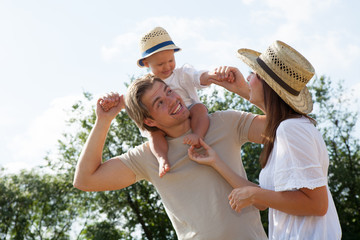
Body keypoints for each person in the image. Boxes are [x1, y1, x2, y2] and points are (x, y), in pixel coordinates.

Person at [73, 72, 268, 239]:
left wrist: (242, 88)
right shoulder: (147, 156)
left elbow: (286, 128)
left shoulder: (225, 122)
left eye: (169, 91)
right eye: (160, 103)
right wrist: (104, 120)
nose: (173, 101)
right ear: (149, 121)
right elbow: (85, 180)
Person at [188, 40, 342, 239]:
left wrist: (255, 195)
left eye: (252, 74)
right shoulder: (288, 128)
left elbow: (317, 205)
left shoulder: (291, 129)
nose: (248, 78)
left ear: (267, 85)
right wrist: (215, 161)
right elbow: (264, 201)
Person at [101, 26, 233, 177]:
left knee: (200, 108)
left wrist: (211, 76)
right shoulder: (146, 86)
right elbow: (128, 100)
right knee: (153, 135)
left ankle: (198, 135)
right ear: (146, 63)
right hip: (162, 124)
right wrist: (110, 101)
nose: (167, 66)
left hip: (188, 111)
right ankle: (162, 158)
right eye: (160, 64)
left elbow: (197, 77)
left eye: (171, 60)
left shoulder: (181, 74)